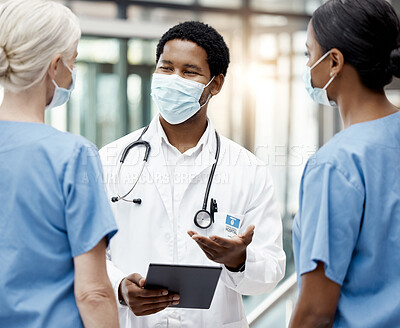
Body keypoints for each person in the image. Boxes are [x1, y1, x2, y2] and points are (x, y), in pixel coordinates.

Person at [100, 21, 286, 327]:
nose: (174, 80)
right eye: (166, 68)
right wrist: (120, 287)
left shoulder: (248, 170)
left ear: (215, 84)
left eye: (189, 72)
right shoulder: (110, 160)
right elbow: (87, 255)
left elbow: (271, 270)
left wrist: (238, 261)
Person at [0, 1, 119, 327]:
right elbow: (93, 293)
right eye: (74, 61)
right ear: (55, 67)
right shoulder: (73, 156)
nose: (72, 72)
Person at [290, 0, 400, 327]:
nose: (309, 66)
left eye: (309, 54)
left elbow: (315, 313)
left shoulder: (335, 165)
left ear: (334, 61)